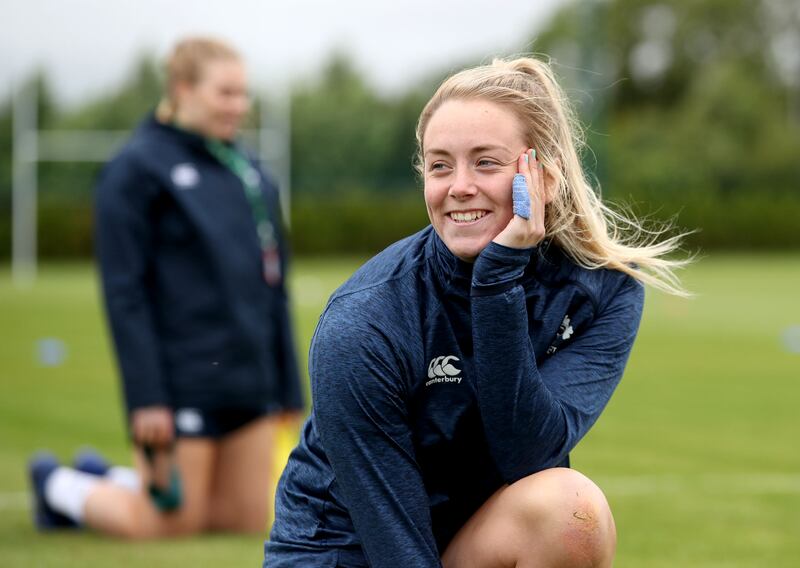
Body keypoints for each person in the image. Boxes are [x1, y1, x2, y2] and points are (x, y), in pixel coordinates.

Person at [264, 56, 689, 567]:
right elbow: (394, 541)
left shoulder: (604, 290)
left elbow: (527, 457)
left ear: (543, 177)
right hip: (349, 553)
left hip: (464, 544)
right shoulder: (364, 320)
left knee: (572, 512)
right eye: (440, 165)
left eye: (485, 162)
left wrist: (497, 281)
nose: (459, 186)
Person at [28, 36, 304, 538]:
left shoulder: (250, 172)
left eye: (243, 94)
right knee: (168, 526)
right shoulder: (134, 170)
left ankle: (108, 478)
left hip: (250, 379)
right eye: (225, 93)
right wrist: (146, 398)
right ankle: (59, 486)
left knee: (245, 522)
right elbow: (124, 293)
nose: (238, 106)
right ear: (182, 89)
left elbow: (274, 284)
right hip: (181, 383)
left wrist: (287, 383)